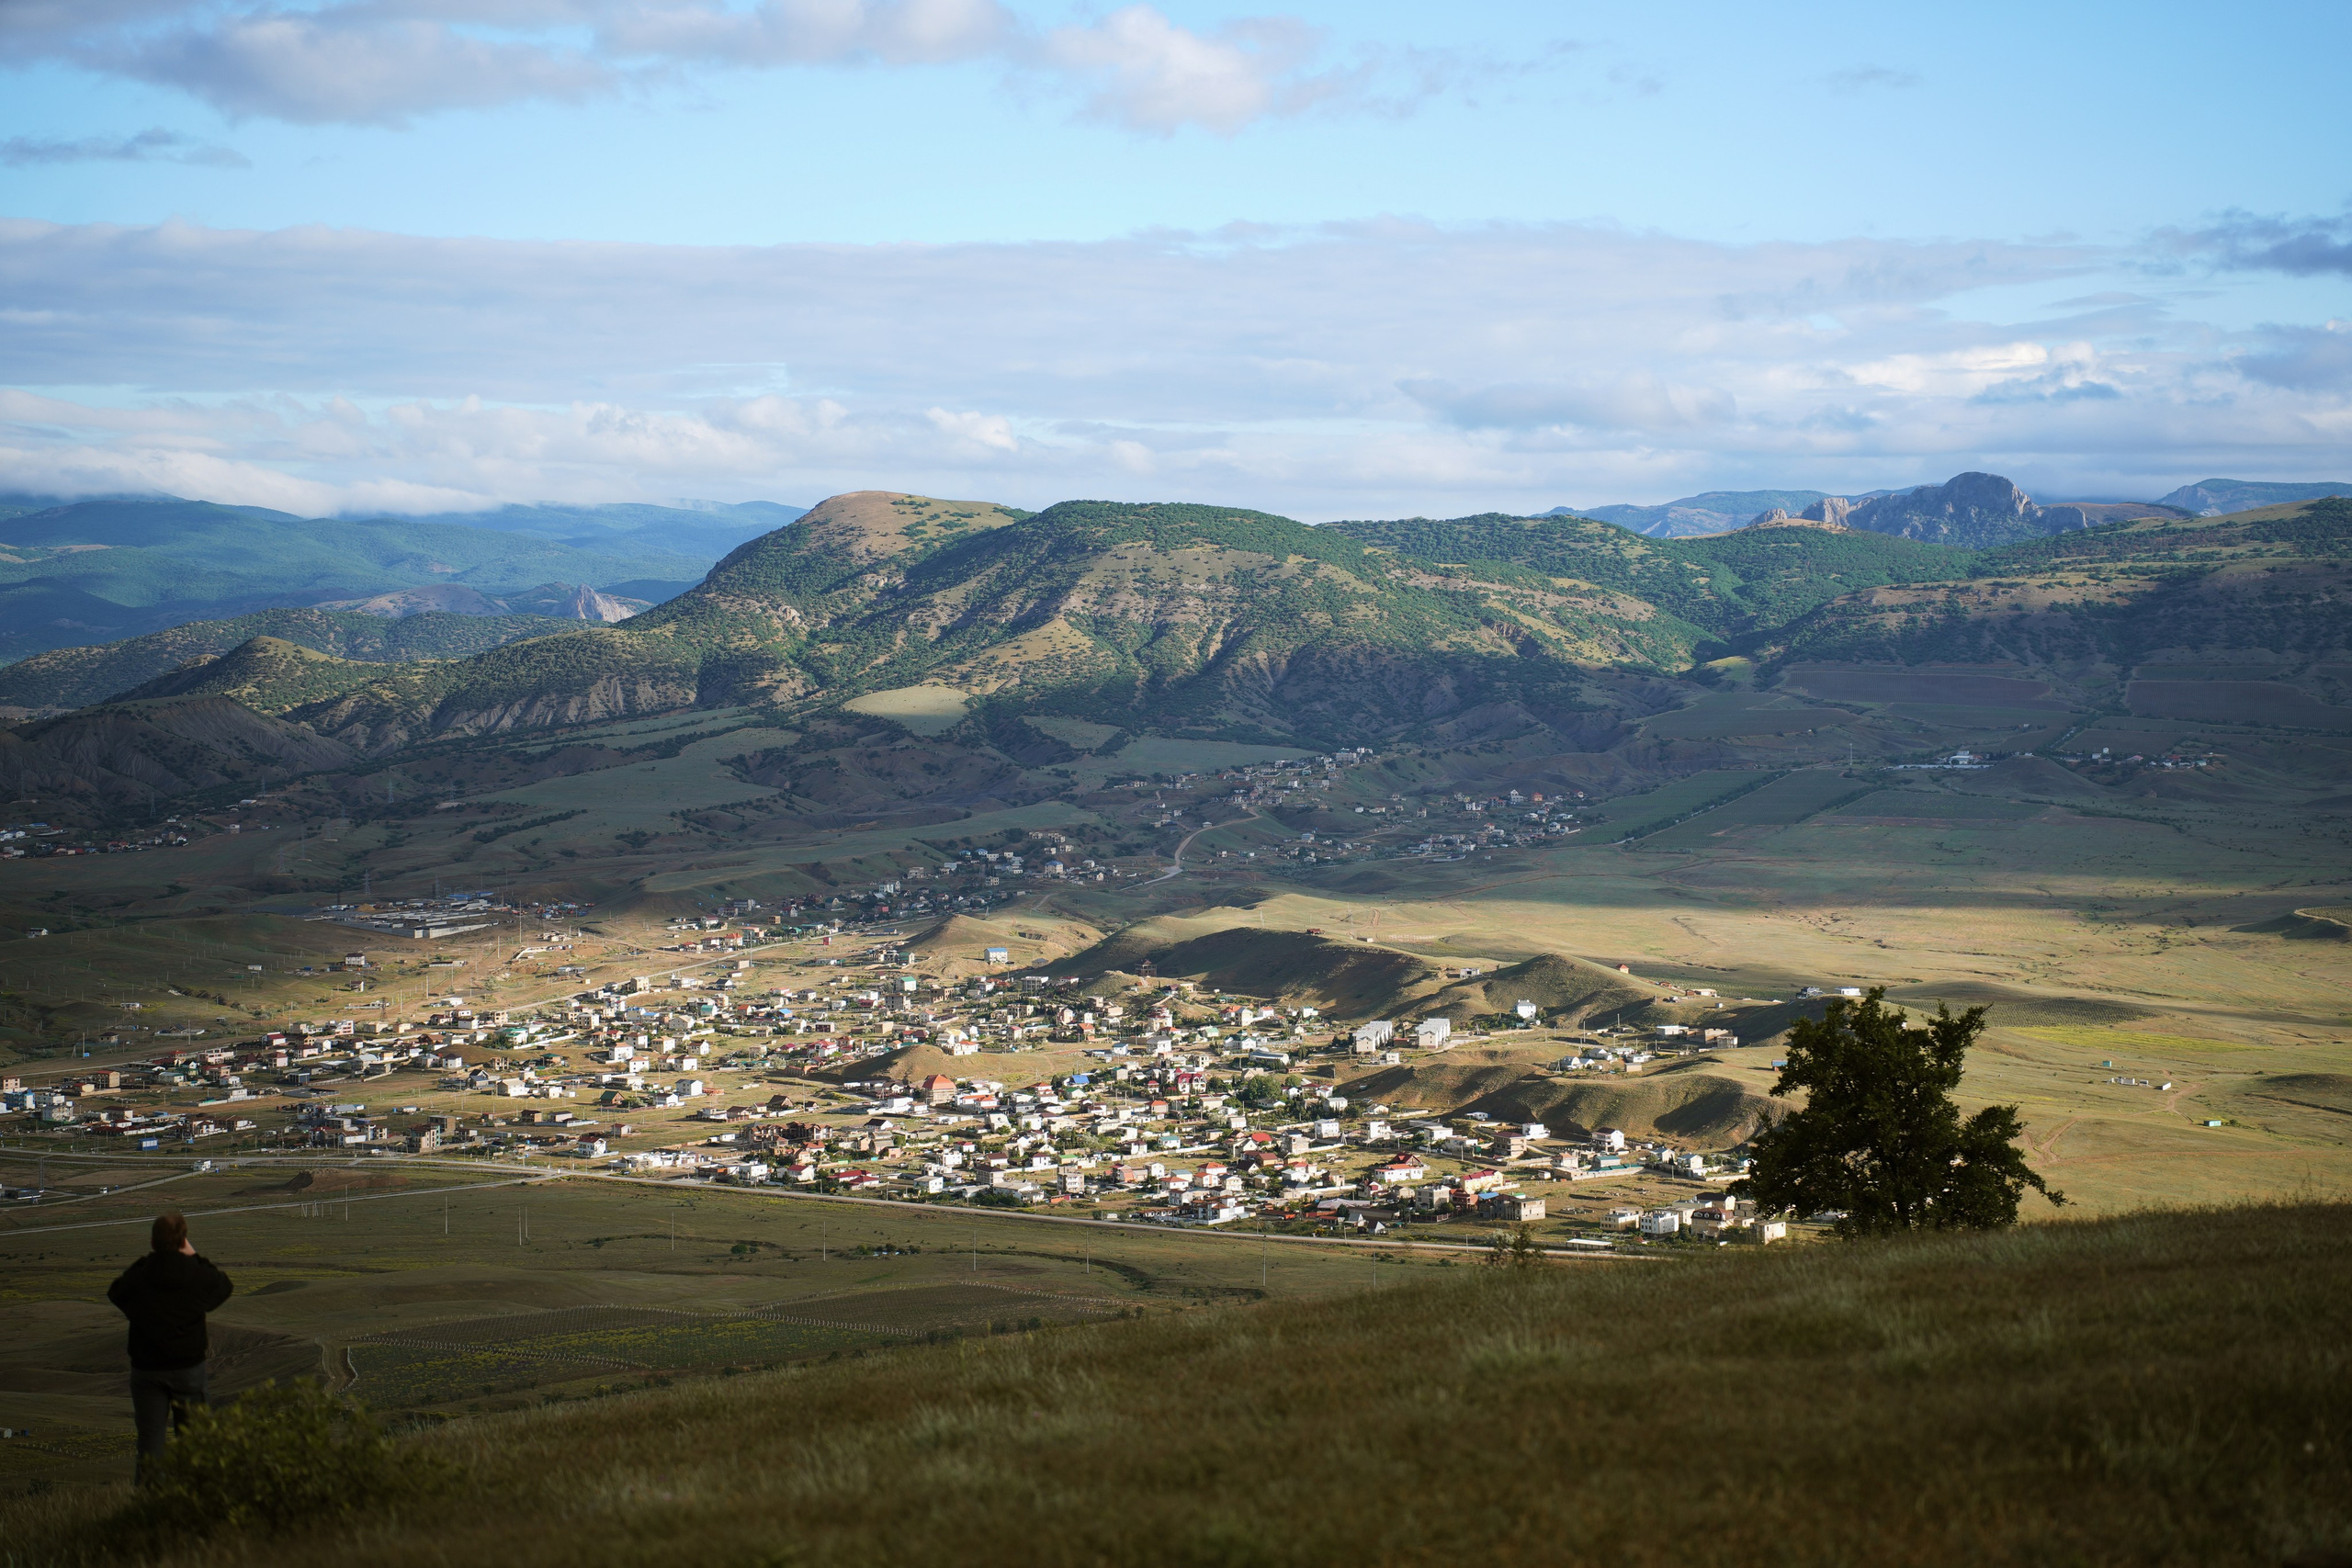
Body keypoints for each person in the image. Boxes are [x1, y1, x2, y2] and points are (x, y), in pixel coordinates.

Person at [107, 1211, 233, 1483]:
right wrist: (194, 1256)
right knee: (193, 1441)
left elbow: (116, 1291)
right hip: (188, 1368)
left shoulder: (142, 1274)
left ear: (153, 1242)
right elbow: (223, 1285)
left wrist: (146, 1267)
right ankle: (192, 1496)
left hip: (147, 1370)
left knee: (150, 1442)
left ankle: (150, 1502)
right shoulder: (195, 1273)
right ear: (183, 1240)